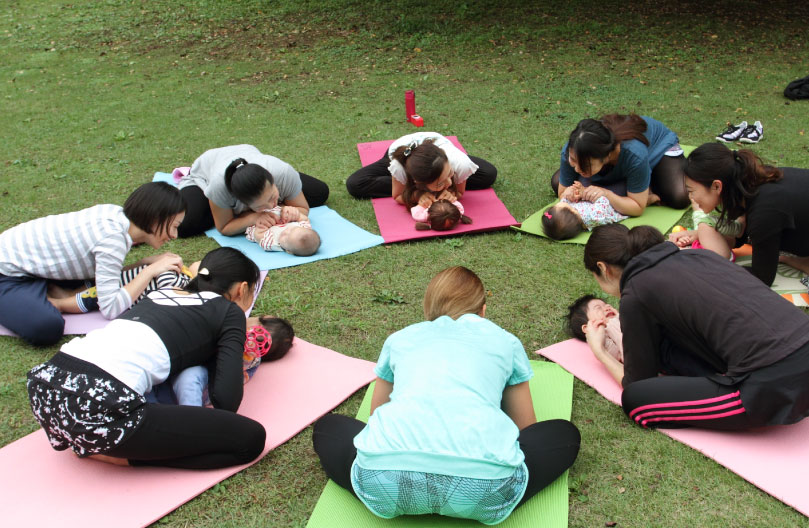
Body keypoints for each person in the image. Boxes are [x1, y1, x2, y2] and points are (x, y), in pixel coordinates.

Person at [312, 266, 580, 524]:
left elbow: (374, 417)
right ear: (483, 311)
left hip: (384, 484)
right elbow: (526, 428)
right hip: (487, 493)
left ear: (427, 309)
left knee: (328, 428)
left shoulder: (401, 338)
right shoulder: (505, 341)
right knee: (563, 434)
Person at [26, 247, 266, 469]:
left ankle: (87, 438)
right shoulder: (229, 311)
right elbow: (226, 401)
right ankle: (114, 453)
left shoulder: (160, 293)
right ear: (242, 289)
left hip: (47, 387)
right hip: (102, 404)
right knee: (250, 439)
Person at [582, 223, 809, 430]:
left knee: (635, 400)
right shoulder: (698, 256)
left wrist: (600, 352)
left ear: (603, 268)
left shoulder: (636, 292)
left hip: (773, 385)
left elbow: (637, 382)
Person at [0, 182, 186, 346]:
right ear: (156, 218)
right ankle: (35, 293)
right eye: (174, 226)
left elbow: (107, 275)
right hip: (6, 273)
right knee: (47, 326)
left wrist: (142, 263)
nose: (175, 235)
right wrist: (150, 270)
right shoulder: (113, 239)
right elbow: (110, 308)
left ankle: (43, 290)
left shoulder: (115, 215)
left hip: (28, 268)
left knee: (90, 286)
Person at [682, 143, 809, 285]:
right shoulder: (751, 182)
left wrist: (703, 272)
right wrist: (700, 232)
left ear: (717, 186)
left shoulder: (764, 209)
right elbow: (742, 234)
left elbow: (762, 277)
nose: (691, 197)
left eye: (691, 191)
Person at [177, 144, 329, 237]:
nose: (271, 207)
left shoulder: (282, 172)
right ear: (241, 203)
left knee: (319, 192)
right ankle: (221, 207)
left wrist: (290, 210)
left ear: (272, 181)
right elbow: (223, 228)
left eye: (273, 197)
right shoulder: (219, 188)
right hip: (205, 170)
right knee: (186, 225)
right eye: (260, 207)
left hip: (247, 153)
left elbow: (303, 208)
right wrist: (252, 219)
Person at [551, 114, 690, 216]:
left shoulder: (634, 154)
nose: (577, 168)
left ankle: (648, 184)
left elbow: (637, 208)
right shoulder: (573, 149)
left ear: (606, 156)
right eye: (573, 160)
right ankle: (641, 186)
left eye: (585, 165)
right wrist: (569, 192)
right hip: (622, 168)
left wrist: (606, 194)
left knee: (679, 196)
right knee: (558, 181)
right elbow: (562, 193)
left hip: (658, 151)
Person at [147, 316, 295, 406]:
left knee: (190, 376)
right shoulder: (229, 322)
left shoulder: (249, 358)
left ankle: (192, 419)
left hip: (200, 384)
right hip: (167, 373)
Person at [345, 132, 497, 205]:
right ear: (417, 181)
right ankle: (409, 183)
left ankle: (441, 177)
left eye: (450, 175)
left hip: (437, 148)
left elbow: (459, 192)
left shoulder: (458, 163)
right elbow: (397, 196)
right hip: (402, 152)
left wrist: (452, 193)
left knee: (488, 175)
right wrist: (416, 195)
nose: (449, 183)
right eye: (440, 183)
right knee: (356, 184)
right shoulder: (399, 165)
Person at [542, 181, 628, 240]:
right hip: (615, 204)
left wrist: (571, 193)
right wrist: (585, 192)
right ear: (570, 210)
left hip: (590, 200)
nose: (557, 204)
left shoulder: (573, 213)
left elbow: (565, 199)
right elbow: (604, 201)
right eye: (555, 207)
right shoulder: (594, 217)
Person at [667, 199, 743, 261]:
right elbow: (730, 239)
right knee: (701, 215)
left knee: (699, 213)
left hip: (706, 242)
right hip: (715, 249)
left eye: (691, 191)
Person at [244, 206, 320, 256]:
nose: (286, 232)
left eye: (286, 238)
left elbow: (258, 235)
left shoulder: (273, 243)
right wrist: (296, 216)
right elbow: (305, 219)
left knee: (246, 215)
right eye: (292, 230)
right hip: (274, 213)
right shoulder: (304, 229)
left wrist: (262, 226)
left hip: (257, 225)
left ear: (288, 251)